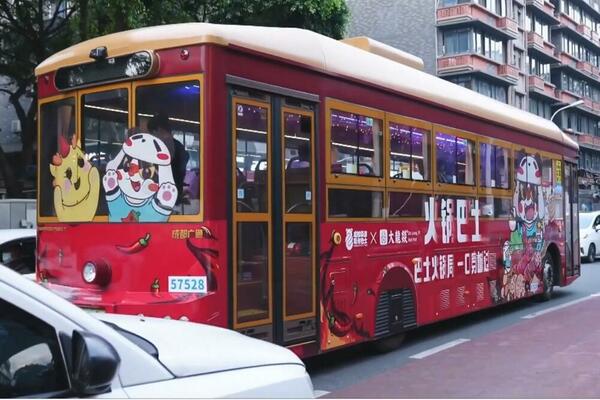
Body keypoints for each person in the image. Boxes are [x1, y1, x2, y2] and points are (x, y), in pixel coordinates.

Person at [148, 113, 189, 205]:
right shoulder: (179, 146)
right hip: (174, 196)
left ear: (158, 130)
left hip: (163, 198)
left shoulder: (163, 147)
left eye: (152, 134)